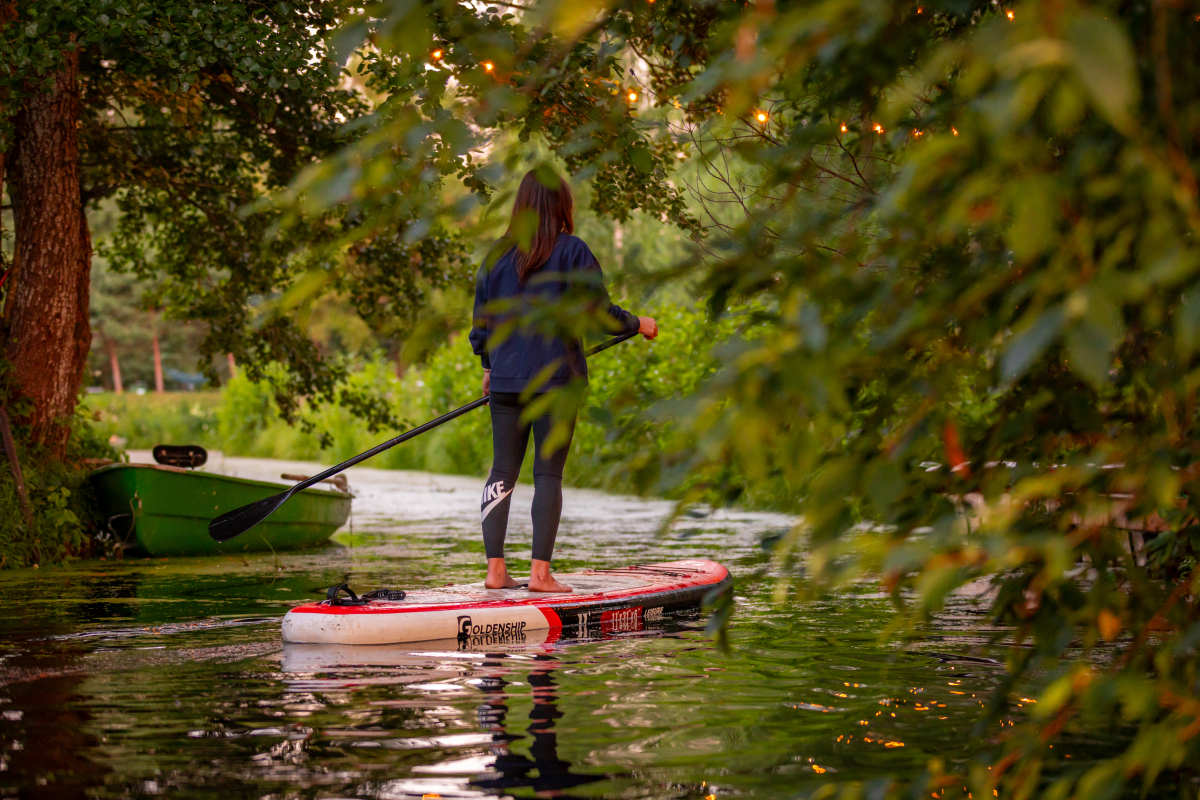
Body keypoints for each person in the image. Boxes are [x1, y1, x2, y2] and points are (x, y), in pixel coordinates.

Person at [469, 169, 658, 593]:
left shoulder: (495, 256)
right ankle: (540, 575)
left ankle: (495, 571)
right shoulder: (573, 252)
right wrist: (638, 323)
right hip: (556, 381)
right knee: (547, 475)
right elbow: (599, 313)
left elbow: (481, 325)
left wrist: (488, 365)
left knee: (502, 471)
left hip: (506, 381)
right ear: (562, 205)